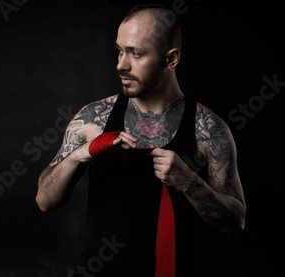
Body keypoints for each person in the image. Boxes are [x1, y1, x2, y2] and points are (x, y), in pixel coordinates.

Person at [36, 4, 246, 277]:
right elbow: (44, 201)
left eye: (136, 53)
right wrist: (81, 154)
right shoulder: (92, 119)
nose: (121, 65)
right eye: (120, 51)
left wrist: (189, 182)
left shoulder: (210, 130)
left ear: (171, 59)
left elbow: (234, 224)